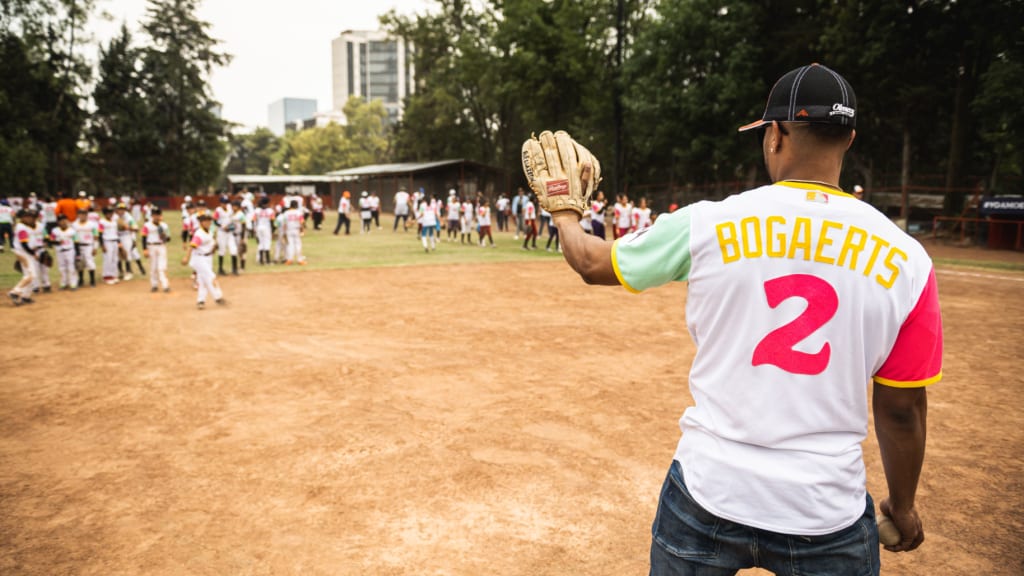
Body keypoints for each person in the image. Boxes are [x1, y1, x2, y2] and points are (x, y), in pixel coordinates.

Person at [549, 63, 941, 575]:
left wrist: (563, 209)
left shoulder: (708, 222)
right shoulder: (908, 258)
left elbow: (590, 261)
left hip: (710, 492)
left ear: (774, 134)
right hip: (825, 509)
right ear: (848, 138)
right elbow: (901, 410)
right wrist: (903, 507)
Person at [181, 213, 223, 310]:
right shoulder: (199, 234)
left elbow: (210, 243)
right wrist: (186, 258)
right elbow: (192, 246)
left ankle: (201, 301)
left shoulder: (210, 232)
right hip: (199, 259)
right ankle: (218, 297)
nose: (208, 222)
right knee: (211, 277)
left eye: (209, 220)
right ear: (201, 222)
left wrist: (214, 247)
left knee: (202, 280)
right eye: (206, 221)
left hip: (208, 258)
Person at [9, 209, 40, 305]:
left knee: (32, 275)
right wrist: (33, 253)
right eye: (27, 217)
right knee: (30, 275)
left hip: (24, 252)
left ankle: (25, 296)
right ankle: (15, 291)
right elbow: (24, 244)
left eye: (30, 217)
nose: (30, 219)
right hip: (23, 253)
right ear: (22, 218)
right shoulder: (22, 228)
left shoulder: (22, 226)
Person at [141, 207, 171, 292]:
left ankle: (165, 285)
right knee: (153, 267)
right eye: (154, 215)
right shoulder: (147, 225)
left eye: (158, 215)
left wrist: (164, 236)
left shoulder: (164, 225)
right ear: (152, 216)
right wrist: (144, 249)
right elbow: (143, 237)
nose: (156, 217)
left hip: (161, 246)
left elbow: (168, 239)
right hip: (151, 246)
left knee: (162, 267)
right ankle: (154, 285)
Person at [50, 215, 78, 290]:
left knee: (71, 267)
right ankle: (63, 283)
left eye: (64, 220)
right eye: (61, 220)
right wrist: (57, 242)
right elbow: (51, 240)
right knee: (62, 268)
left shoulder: (72, 230)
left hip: (70, 250)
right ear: (58, 222)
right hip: (59, 251)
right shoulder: (55, 231)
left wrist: (77, 253)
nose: (63, 222)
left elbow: (76, 241)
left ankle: (73, 284)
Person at [72, 209, 98, 287]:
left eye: (84, 214)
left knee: (90, 263)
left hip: (88, 246)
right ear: (78, 215)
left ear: (87, 215)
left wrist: (95, 247)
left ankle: (92, 280)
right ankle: (81, 280)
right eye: (80, 214)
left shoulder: (92, 224)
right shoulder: (74, 224)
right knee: (80, 263)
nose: (82, 216)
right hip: (78, 246)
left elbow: (96, 236)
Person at [98, 206, 120, 284]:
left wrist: (118, 242)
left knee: (115, 258)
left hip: (114, 240)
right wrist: (102, 245)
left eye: (111, 213)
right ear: (105, 214)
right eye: (108, 213)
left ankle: (114, 275)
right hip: (107, 241)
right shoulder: (102, 222)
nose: (110, 214)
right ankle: (107, 276)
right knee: (108, 259)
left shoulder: (114, 222)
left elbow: (116, 233)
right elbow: (100, 234)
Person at [283, 200, 306, 265]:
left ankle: (289, 260)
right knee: (298, 245)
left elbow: (284, 223)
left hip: (288, 230)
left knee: (290, 245)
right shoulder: (299, 212)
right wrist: (302, 230)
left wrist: (284, 232)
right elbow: (302, 221)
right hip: (296, 229)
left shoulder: (286, 213)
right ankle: (300, 260)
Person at [253, 197, 275, 265]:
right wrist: (272, 230)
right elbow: (272, 221)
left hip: (259, 227)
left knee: (261, 243)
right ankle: (268, 261)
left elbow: (254, 220)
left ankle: (261, 260)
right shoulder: (270, 211)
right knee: (267, 243)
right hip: (267, 228)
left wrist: (255, 229)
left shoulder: (257, 210)